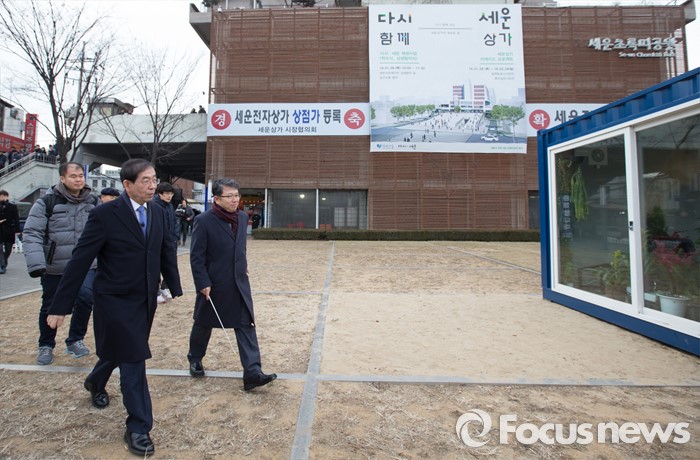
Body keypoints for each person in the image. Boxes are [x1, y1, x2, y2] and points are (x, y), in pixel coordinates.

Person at [46, 158, 182, 457]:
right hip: (114, 300)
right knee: (134, 357)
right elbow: (80, 260)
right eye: (146, 181)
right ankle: (139, 426)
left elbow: (164, 250)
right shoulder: (104, 215)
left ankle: (95, 381)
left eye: (154, 179)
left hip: (145, 299)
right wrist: (60, 306)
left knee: (121, 350)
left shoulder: (157, 211)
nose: (153, 186)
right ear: (127, 185)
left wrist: (172, 285)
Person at [187, 178, 276, 391]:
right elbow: (196, 256)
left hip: (238, 282)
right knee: (203, 323)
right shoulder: (204, 221)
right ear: (217, 199)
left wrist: (243, 264)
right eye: (230, 196)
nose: (235, 200)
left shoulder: (243, 217)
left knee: (246, 324)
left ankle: (252, 373)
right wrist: (202, 282)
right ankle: (195, 358)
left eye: (237, 195)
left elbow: (240, 246)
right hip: (214, 283)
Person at [22, 164, 98, 364]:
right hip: (55, 266)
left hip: (86, 265)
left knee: (86, 297)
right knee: (50, 305)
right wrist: (36, 263)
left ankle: (75, 339)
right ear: (62, 179)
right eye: (73, 176)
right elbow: (32, 232)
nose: (78, 180)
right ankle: (46, 344)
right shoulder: (47, 202)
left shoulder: (93, 202)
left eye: (81, 176)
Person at [151, 182, 178, 302]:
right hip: (158, 242)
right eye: (167, 193)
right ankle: (156, 291)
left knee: (170, 265)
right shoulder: (153, 205)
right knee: (155, 267)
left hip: (171, 241)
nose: (169, 196)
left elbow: (174, 222)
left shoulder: (170, 206)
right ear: (160, 194)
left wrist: (175, 236)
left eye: (171, 194)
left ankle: (165, 288)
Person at [0, 190, 21, 274]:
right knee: (0, 249)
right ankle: (2, 266)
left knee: (8, 249)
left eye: (4, 196)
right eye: (1, 196)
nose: (2, 198)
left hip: (9, 230)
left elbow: (16, 219)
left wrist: (18, 230)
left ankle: (4, 261)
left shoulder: (12, 206)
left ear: (7, 197)